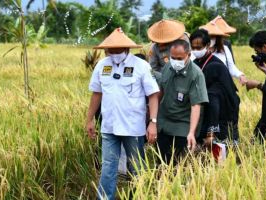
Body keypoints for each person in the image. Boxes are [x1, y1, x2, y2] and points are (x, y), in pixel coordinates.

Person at [86, 28, 159, 200]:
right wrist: (89, 119)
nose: (114, 53)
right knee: (108, 168)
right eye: (111, 50)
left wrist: (153, 122)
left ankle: (141, 196)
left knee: (137, 168)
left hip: (133, 128)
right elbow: (97, 94)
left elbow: (153, 95)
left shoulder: (141, 66)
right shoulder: (102, 66)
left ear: (127, 48)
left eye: (118, 50)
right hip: (109, 127)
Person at [157, 39, 209, 164]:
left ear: (189, 55)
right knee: (161, 160)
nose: (176, 62)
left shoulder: (196, 75)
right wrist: (152, 119)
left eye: (180, 58)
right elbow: (160, 92)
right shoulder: (167, 67)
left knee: (178, 163)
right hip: (164, 122)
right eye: (173, 57)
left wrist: (191, 132)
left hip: (183, 125)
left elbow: (196, 105)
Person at [190, 29, 240, 146]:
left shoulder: (214, 66)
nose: (196, 50)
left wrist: (211, 131)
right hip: (207, 112)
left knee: (221, 152)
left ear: (207, 45)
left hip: (223, 114)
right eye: (193, 48)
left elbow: (213, 99)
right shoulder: (196, 63)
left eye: (199, 47)